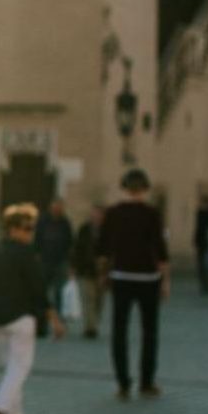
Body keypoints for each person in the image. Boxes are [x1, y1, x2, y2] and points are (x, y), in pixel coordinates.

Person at [0, 204, 65, 414]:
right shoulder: (27, 255)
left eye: (32, 228)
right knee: (20, 367)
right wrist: (55, 320)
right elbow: (39, 290)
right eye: (26, 228)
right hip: (21, 319)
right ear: (12, 230)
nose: (30, 233)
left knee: (11, 368)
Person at [97, 168, 169, 400]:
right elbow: (161, 249)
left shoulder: (113, 213)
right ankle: (146, 383)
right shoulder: (152, 214)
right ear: (145, 189)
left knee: (119, 332)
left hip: (121, 277)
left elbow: (102, 248)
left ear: (124, 188)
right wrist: (166, 280)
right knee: (149, 332)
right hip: (148, 278)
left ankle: (123, 384)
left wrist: (103, 274)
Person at [34, 198, 75, 315]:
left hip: (60, 262)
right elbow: (37, 240)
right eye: (55, 208)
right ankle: (41, 319)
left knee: (59, 292)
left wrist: (70, 263)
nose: (56, 210)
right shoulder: (43, 221)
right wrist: (37, 256)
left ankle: (58, 317)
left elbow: (70, 242)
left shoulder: (65, 223)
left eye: (59, 208)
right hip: (45, 261)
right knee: (42, 291)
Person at [72, 205, 104, 338]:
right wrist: (74, 266)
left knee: (99, 301)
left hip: (102, 272)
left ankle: (94, 322)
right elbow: (77, 248)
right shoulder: (84, 229)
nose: (96, 217)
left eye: (98, 214)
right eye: (94, 214)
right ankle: (89, 327)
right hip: (85, 270)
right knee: (88, 299)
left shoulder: (107, 230)